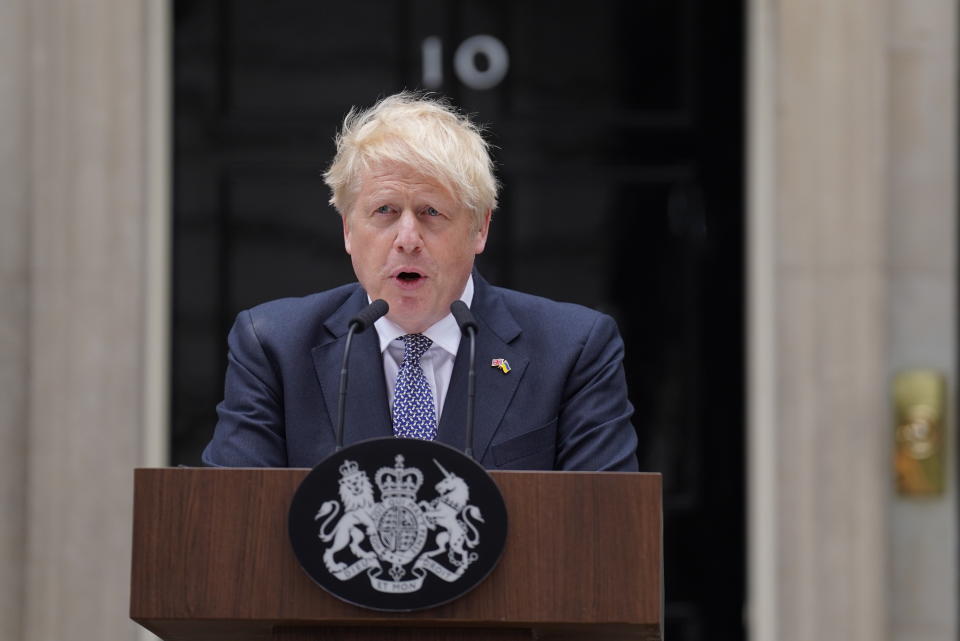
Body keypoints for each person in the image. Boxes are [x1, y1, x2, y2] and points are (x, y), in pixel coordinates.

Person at [202, 92, 638, 471]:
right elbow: (234, 524)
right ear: (348, 230)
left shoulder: (573, 350)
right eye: (385, 211)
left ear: (480, 229)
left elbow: (602, 536)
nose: (407, 240)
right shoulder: (275, 347)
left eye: (431, 212)